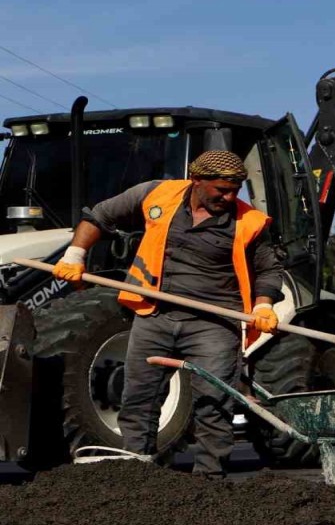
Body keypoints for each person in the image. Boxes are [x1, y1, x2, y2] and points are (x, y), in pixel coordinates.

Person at [50, 151, 283, 478]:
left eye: (235, 190)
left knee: (213, 407)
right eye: (221, 190)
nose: (229, 197)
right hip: (154, 315)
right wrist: (75, 255)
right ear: (196, 181)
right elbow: (99, 216)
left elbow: (268, 271)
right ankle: (139, 475)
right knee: (139, 401)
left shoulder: (250, 222)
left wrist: (263, 305)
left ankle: (209, 483)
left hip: (213, 324)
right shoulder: (157, 194)